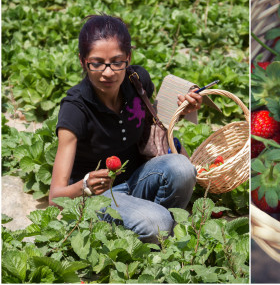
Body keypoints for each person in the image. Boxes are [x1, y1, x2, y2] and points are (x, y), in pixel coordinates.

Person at [49, 14, 201, 243]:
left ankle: (154, 228)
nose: (108, 72)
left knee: (182, 168)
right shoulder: (75, 110)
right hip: (97, 198)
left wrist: (186, 107)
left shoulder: (137, 81)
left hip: (138, 179)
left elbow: (155, 126)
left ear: (128, 58)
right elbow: (55, 197)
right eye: (97, 63)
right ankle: (156, 229)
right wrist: (86, 185)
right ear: (82, 61)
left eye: (117, 62)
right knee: (157, 223)